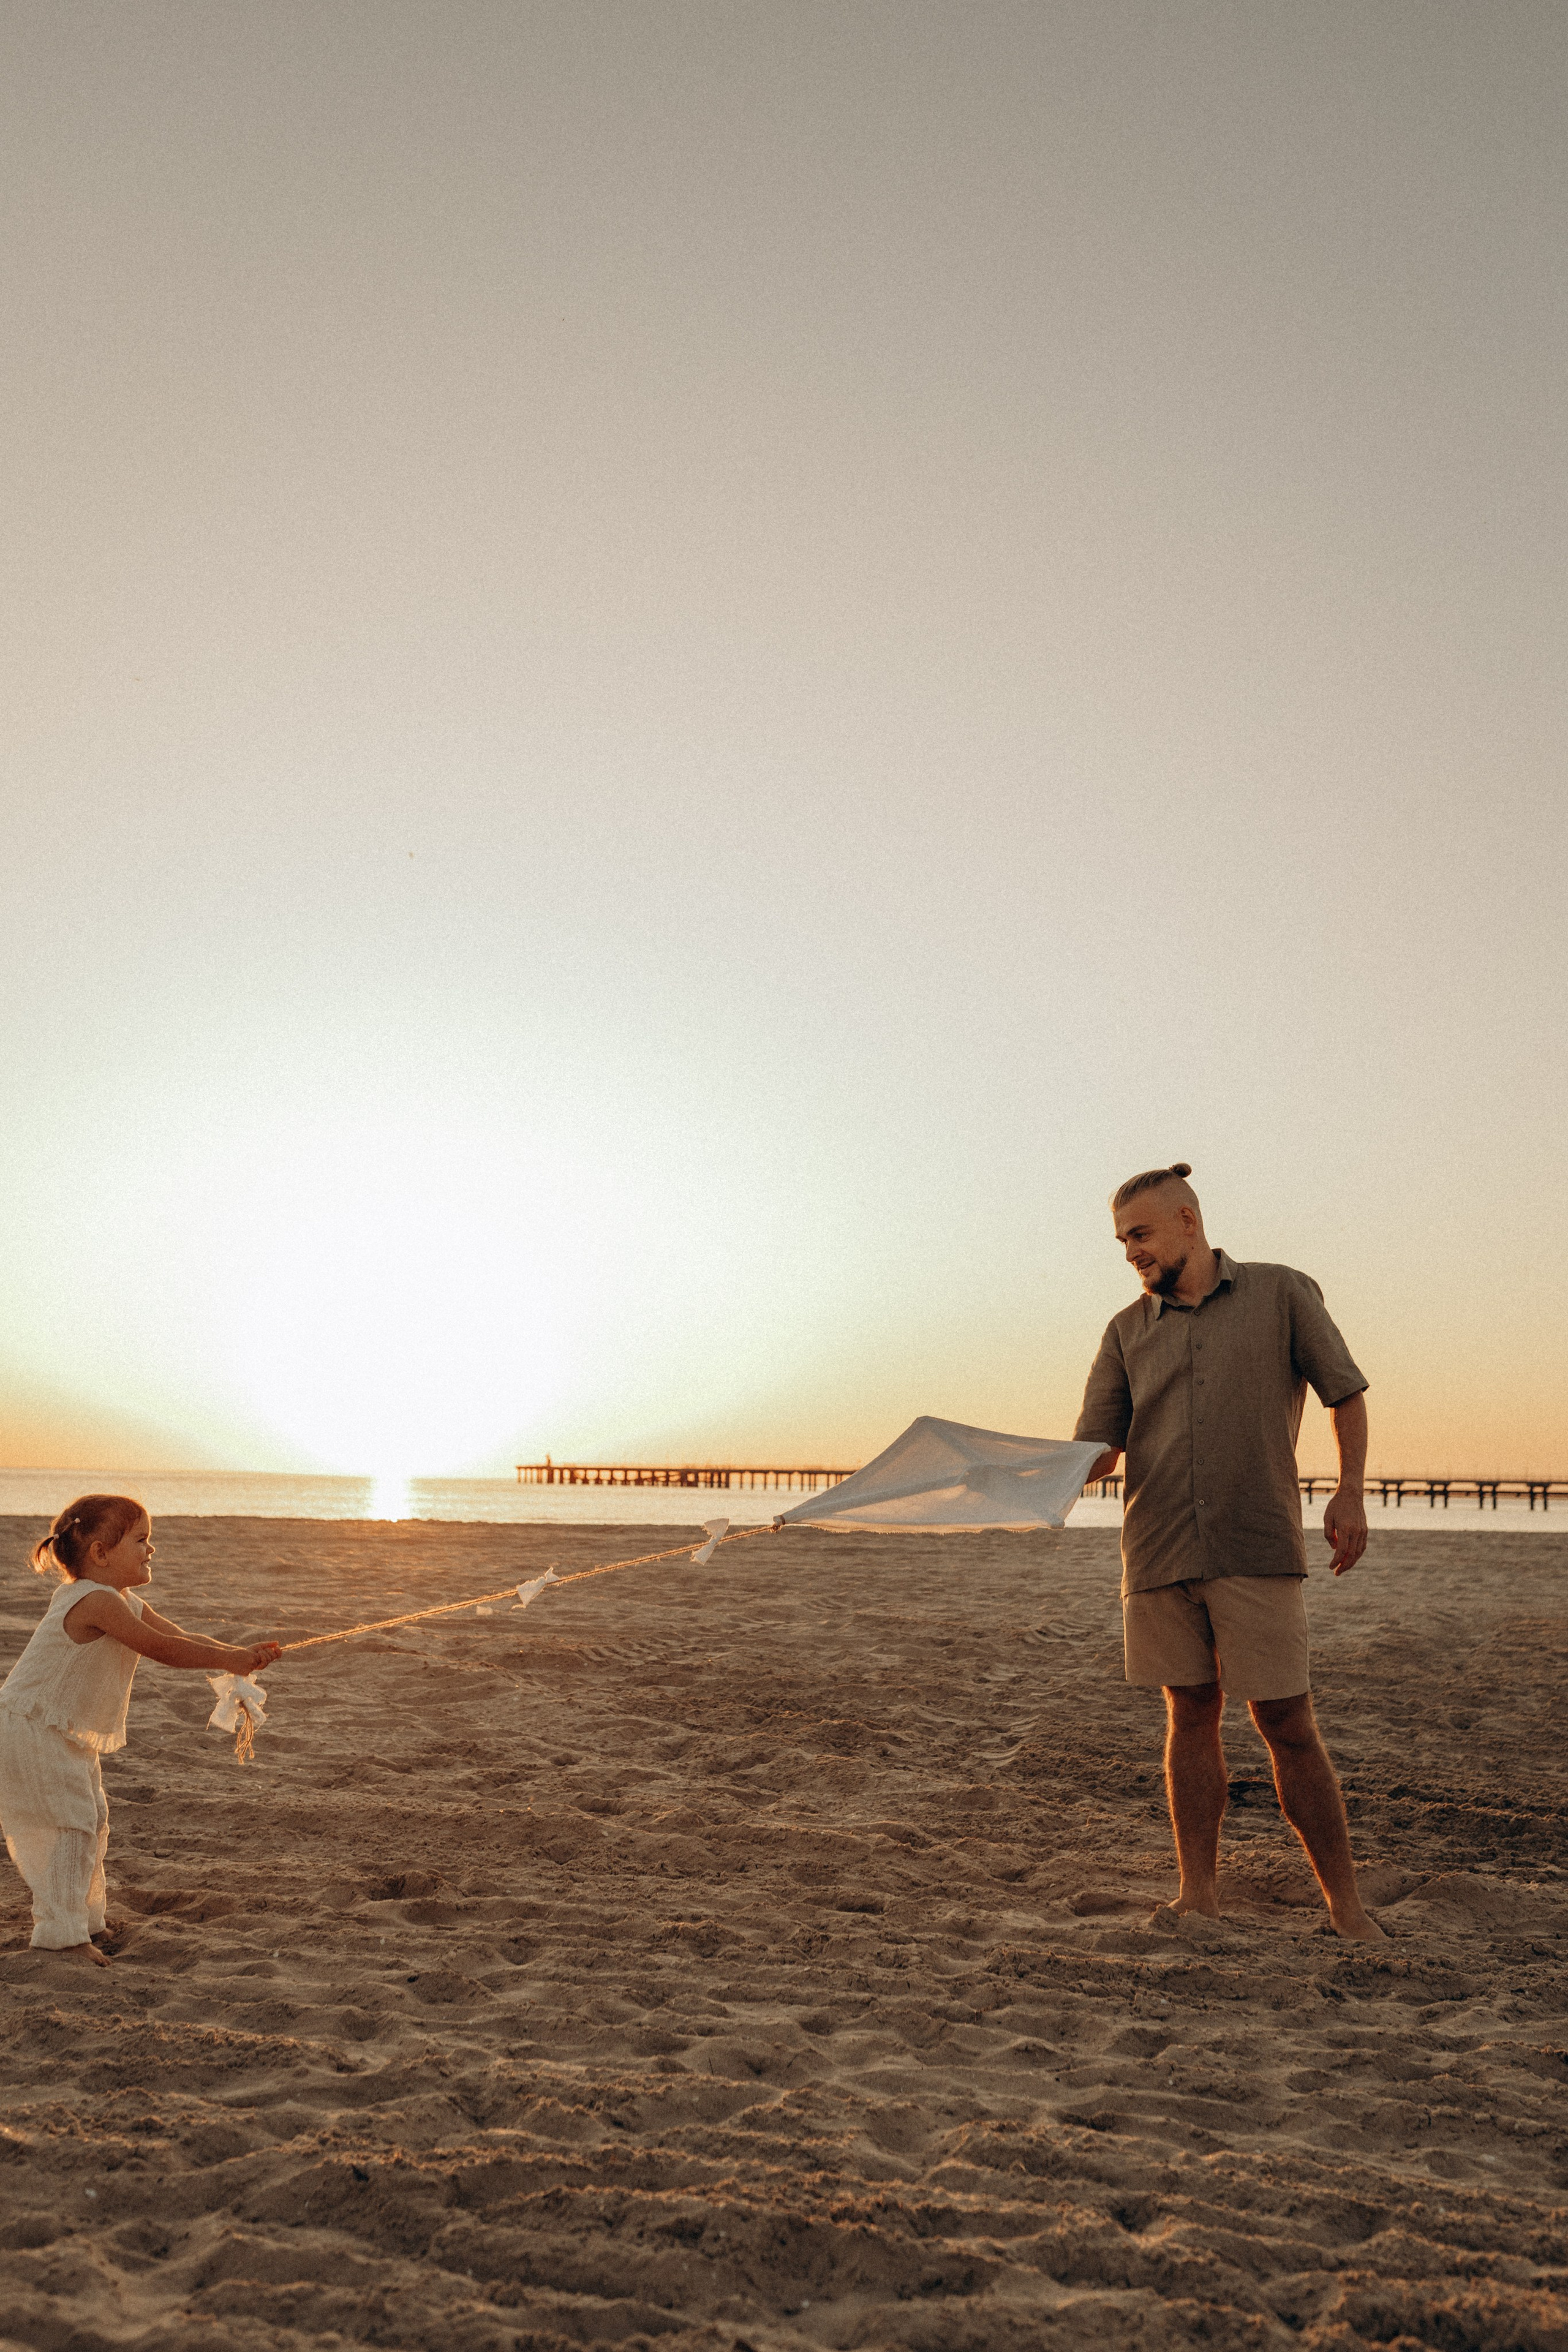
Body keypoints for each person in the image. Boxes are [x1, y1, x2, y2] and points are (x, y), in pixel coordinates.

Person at [1074, 1164, 1384, 1941]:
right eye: (1121, 1241)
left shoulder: (1281, 1293)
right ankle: (1198, 1895)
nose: (1130, 1252)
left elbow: (1344, 1392)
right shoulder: (1124, 1331)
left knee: (1286, 1720)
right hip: (1157, 1547)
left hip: (1254, 1539)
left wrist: (1348, 1491)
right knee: (1189, 1714)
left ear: (1187, 1221)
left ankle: (1346, 1908)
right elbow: (1099, 1448)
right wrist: (1019, 1471)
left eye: (1140, 1235)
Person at [0, 1494, 281, 1968]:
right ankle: (61, 1939)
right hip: (33, 1727)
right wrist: (228, 1659)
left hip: (62, 1731)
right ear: (101, 1553)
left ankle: (84, 1921)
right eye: (141, 1540)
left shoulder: (122, 1600)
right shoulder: (95, 1600)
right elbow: (160, 1649)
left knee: (94, 1820)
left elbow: (180, 1636)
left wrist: (239, 1654)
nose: (151, 1549)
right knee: (71, 1826)